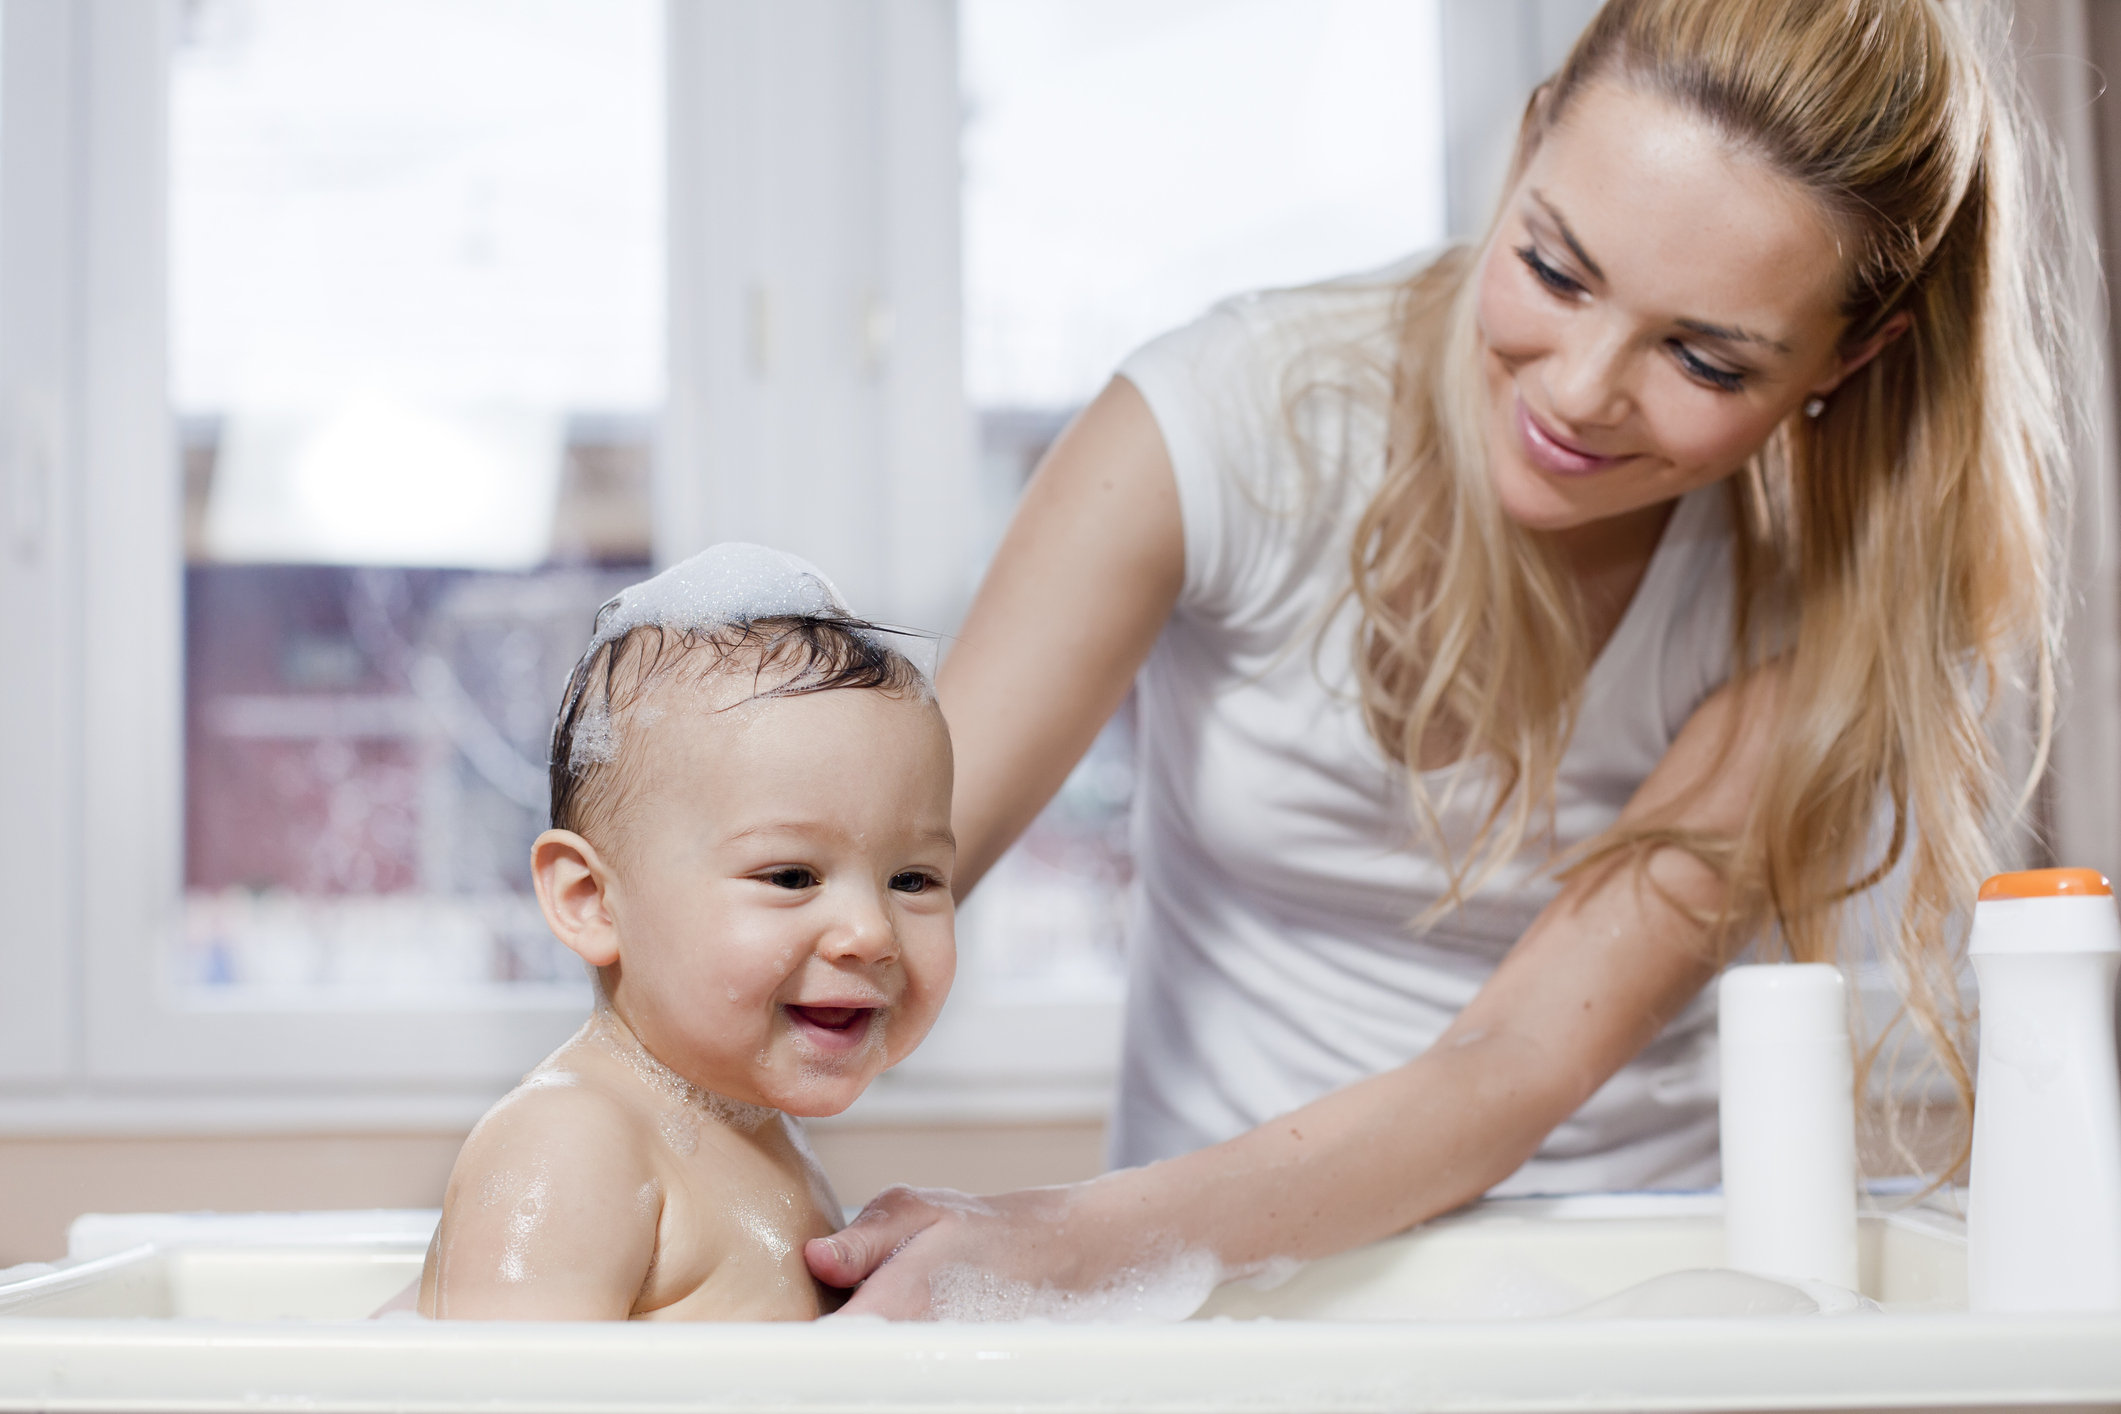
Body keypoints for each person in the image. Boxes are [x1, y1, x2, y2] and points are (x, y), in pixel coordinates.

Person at [805, 0, 2070, 1316]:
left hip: (1624, 1284)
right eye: (1556, 267)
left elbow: (1511, 1059)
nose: (1579, 389)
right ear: (1526, 149)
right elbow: (876, 884)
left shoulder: (1830, 594)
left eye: (1702, 356)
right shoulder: (1220, 421)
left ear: (1850, 356)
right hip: (1210, 1289)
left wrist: (1068, 1239)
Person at [418, 544, 957, 1320]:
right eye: (790, 877)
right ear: (589, 901)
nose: (870, 933)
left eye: (913, 879)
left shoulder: (743, 1131)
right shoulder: (572, 1145)